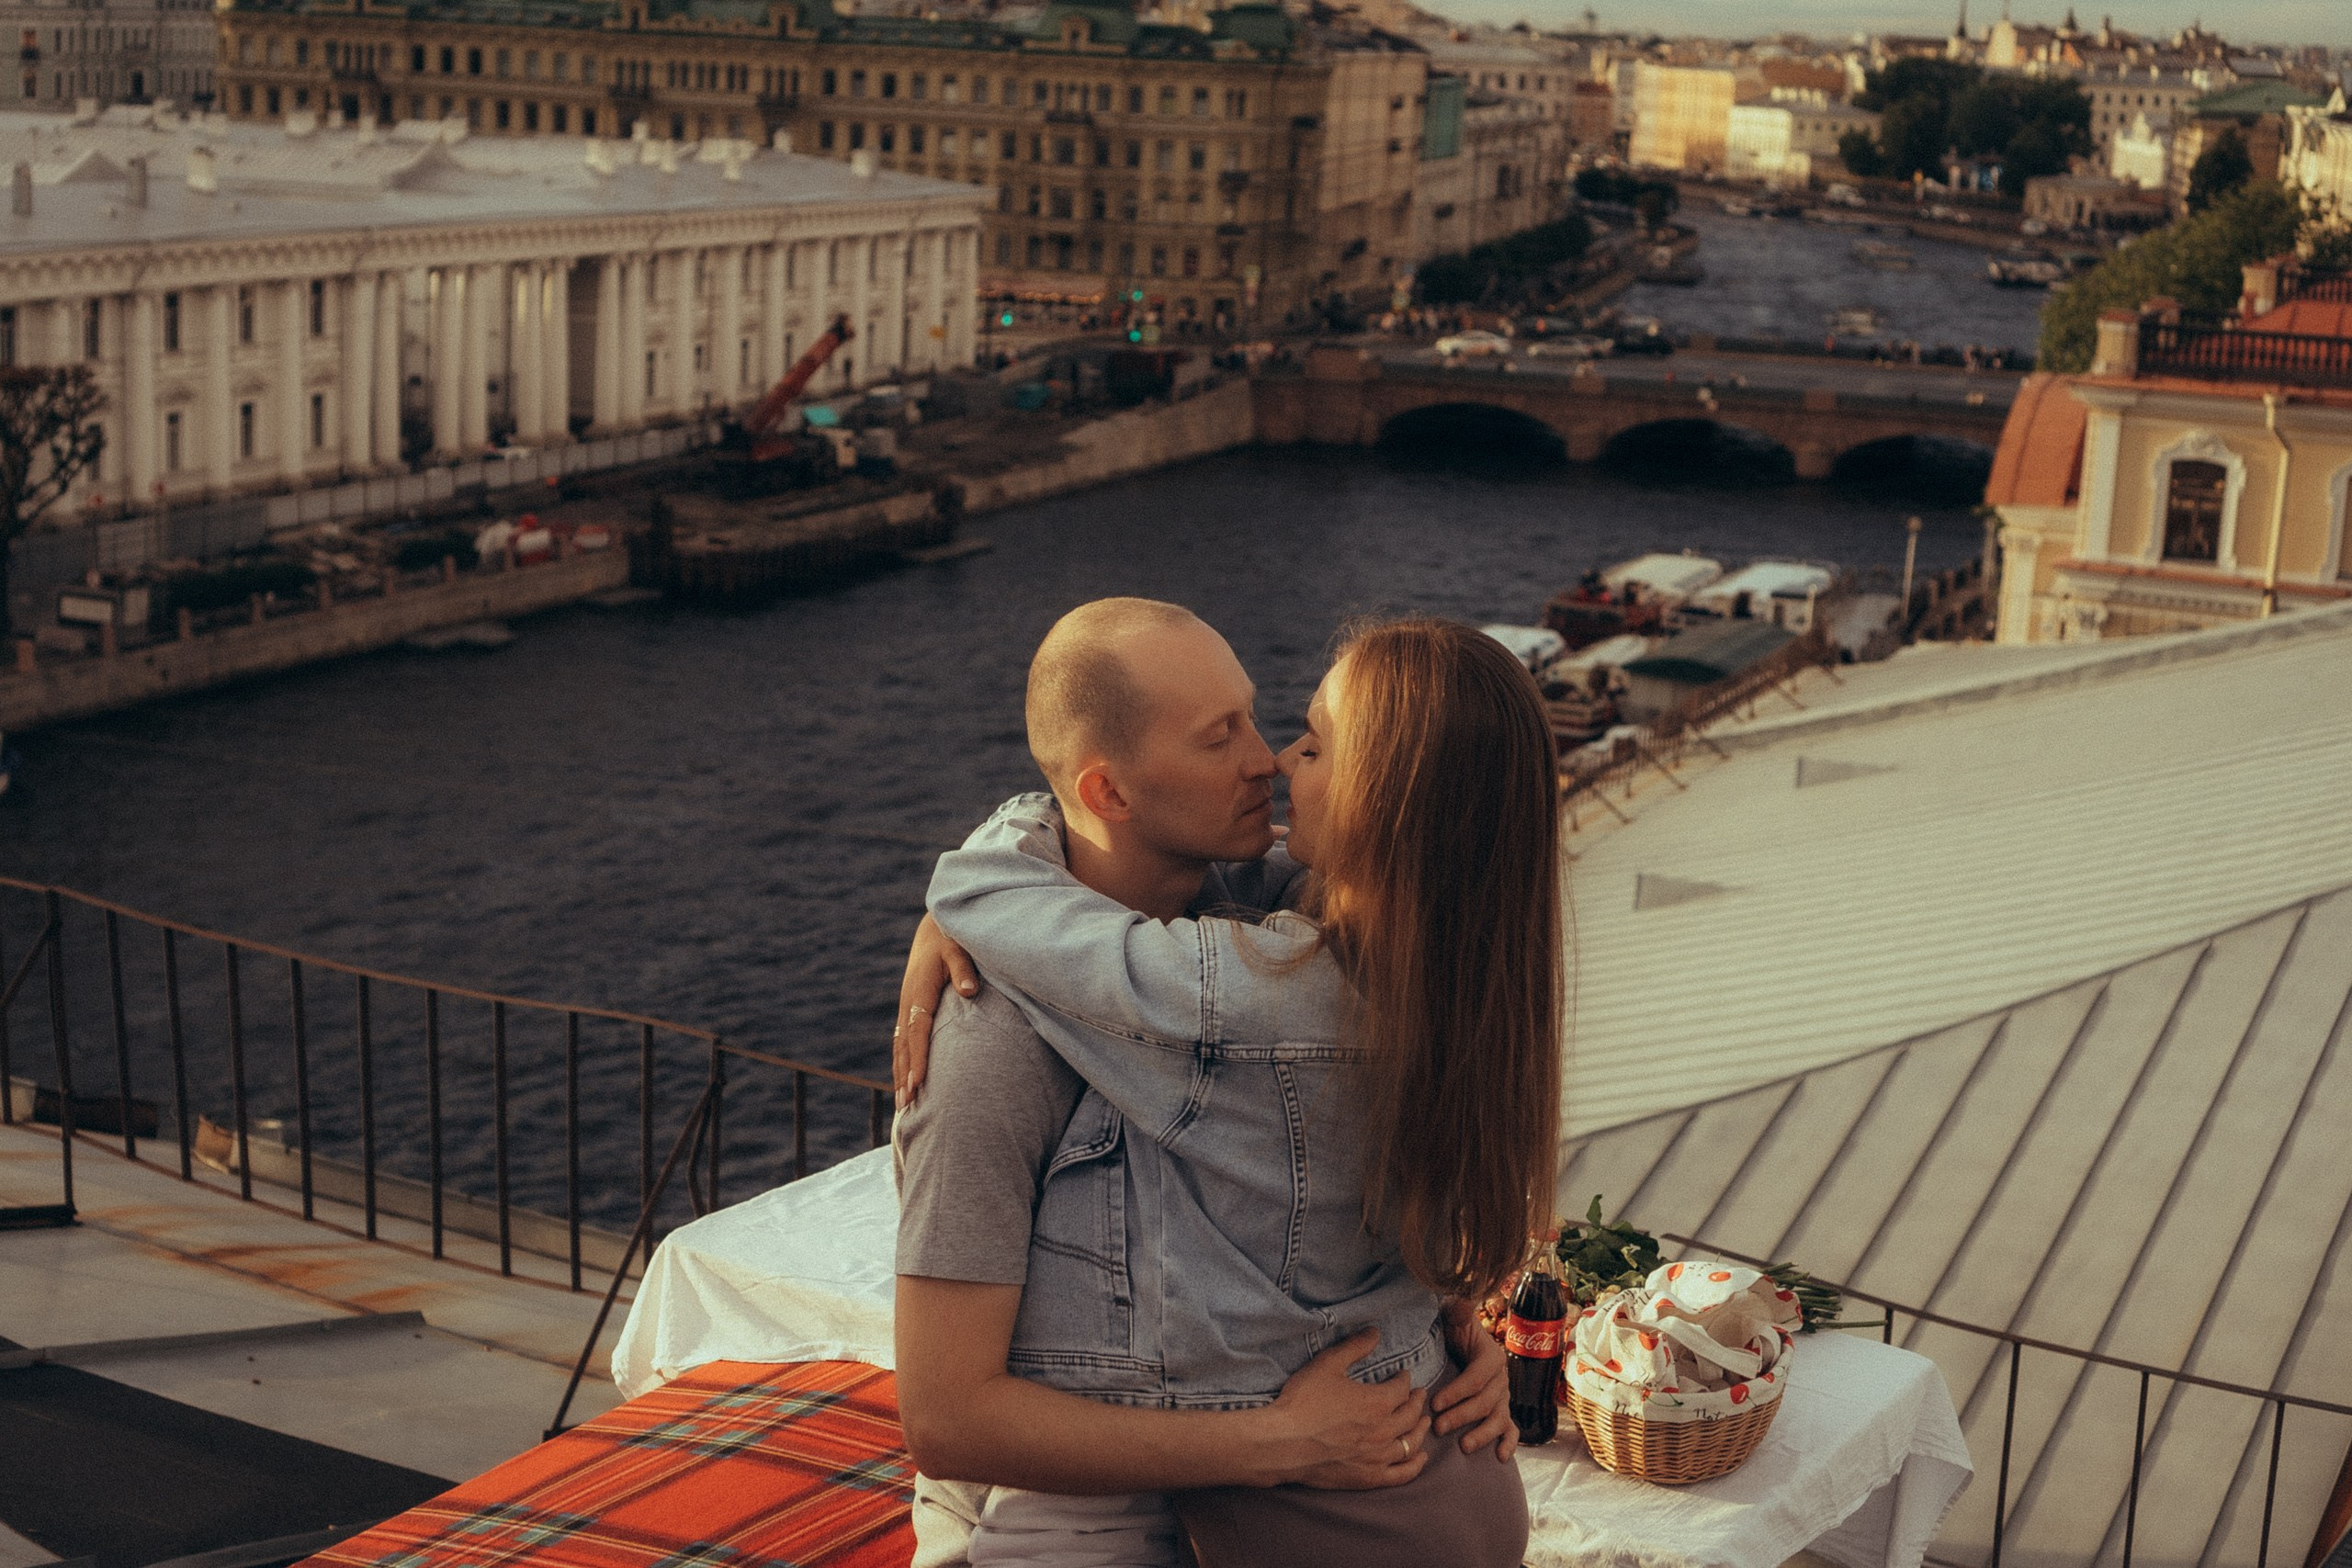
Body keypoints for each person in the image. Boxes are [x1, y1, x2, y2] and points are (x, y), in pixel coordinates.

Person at [895, 600, 1562, 1567]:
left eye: (1288, 732)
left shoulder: (1268, 963)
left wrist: (1436, 1328)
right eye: (1223, 735)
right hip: (1091, 1521)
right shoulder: (993, 1034)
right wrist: (1295, 1429)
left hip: (1302, 1507)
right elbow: (949, 1419)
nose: (1269, 758)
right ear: (1111, 793)